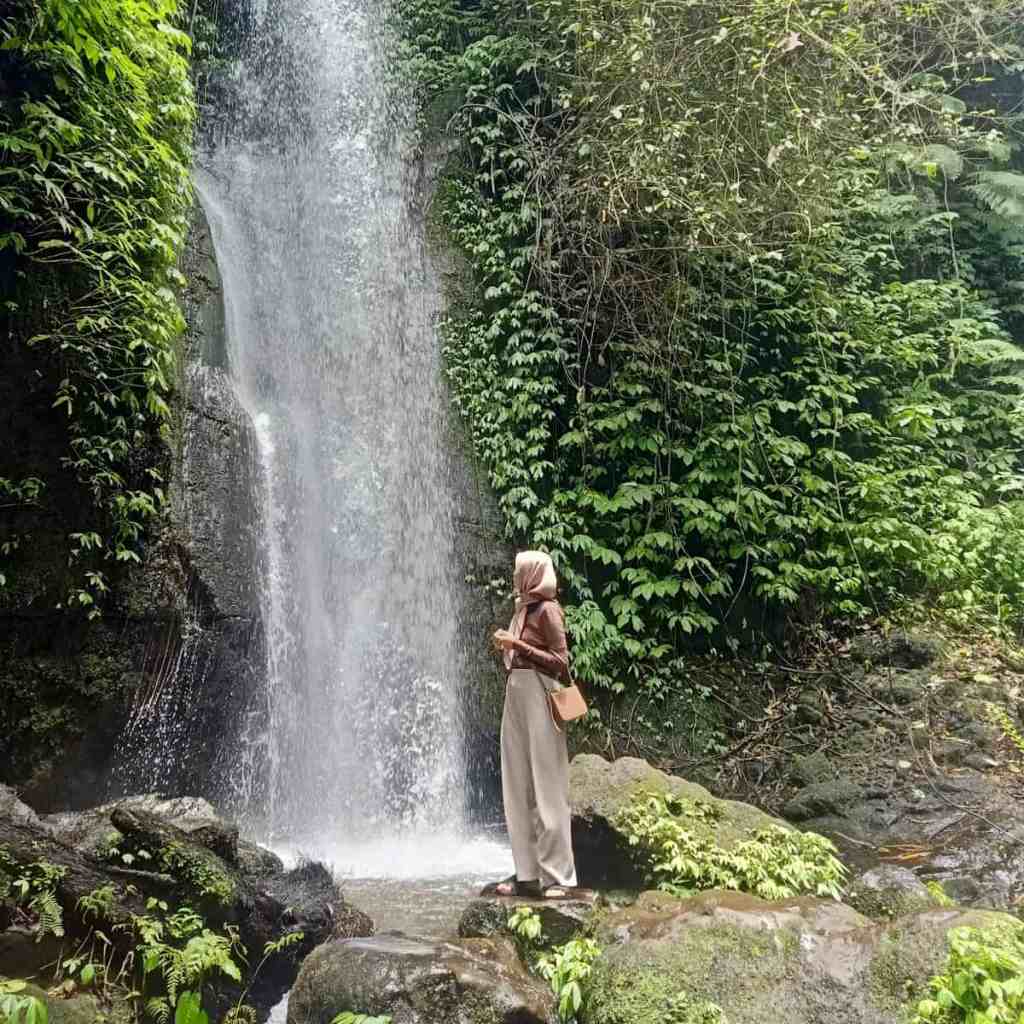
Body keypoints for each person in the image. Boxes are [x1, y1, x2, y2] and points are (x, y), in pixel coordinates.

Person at [487, 550, 578, 899]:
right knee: (518, 784)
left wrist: (518, 645)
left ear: (532, 574)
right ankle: (527, 873)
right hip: (518, 694)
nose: (514, 576)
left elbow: (561, 662)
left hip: (542, 694)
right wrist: (510, 648)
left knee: (547, 784)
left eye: (518, 571)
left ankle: (558, 876)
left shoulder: (549, 610)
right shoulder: (522, 608)